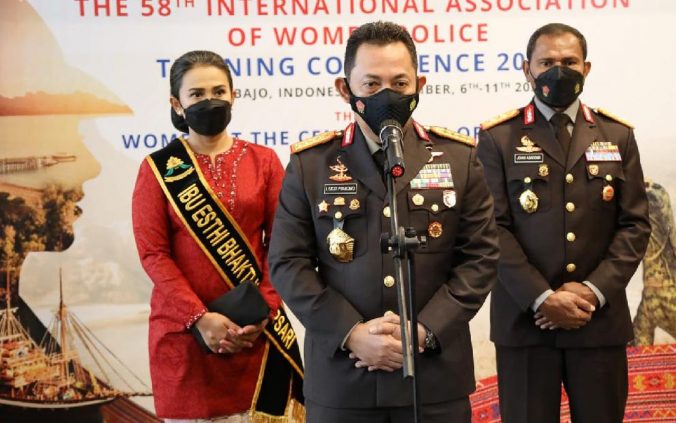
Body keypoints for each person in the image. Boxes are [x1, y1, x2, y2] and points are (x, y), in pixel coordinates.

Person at [268, 21, 499, 423]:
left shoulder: (458, 159)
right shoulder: (311, 165)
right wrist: (351, 334)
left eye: (399, 83)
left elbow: (480, 258)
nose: (386, 96)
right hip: (344, 381)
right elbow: (289, 264)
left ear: (419, 85)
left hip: (433, 379)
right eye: (372, 85)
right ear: (346, 90)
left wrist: (423, 331)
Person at [477, 23, 651, 422]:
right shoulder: (498, 138)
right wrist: (543, 298)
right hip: (526, 322)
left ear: (586, 69)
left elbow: (635, 225)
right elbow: (492, 229)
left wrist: (591, 292)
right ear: (527, 69)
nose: (559, 71)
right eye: (547, 62)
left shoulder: (617, 135)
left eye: (569, 62)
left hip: (597, 321)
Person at [132, 50, 303, 423]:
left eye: (218, 91)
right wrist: (199, 317)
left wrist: (264, 311)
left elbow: (283, 245)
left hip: (256, 336)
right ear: (177, 104)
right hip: (185, 339)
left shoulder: (263, 161)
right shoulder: (156, 170)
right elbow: (154, 255)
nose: (209, 101)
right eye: (196, 94)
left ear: (233, 96)